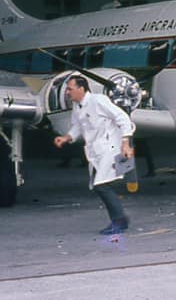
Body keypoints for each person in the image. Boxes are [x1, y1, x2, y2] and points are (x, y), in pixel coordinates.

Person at [53, 75, 135, 235]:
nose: (67, 93)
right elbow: (78, 126)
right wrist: (66, 137)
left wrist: (126, 142)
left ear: (81, 88)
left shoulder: (99, 101)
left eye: (70, 89)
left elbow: (122, 118)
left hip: (110, 148)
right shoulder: (77, 106)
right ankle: (119, 220)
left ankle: (119, 221)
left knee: (101, 185)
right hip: (95, 151)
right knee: (100, 185)